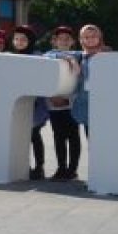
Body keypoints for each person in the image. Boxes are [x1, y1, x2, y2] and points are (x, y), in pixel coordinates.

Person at [10, 25, 50, 180]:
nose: (19, 42)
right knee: (19, 135)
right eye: (16, 39)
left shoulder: (38, 57)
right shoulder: (11, 56)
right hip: (16, 103)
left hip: (35, 103)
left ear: (30, 41)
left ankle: (39, 167)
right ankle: (21, 165)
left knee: (33, 134)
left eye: (23, 39)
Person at [43, 26, 82, 181]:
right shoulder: (47, 56)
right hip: (53, 104)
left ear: (73, 41)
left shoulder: (79, 55)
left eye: (67, 39)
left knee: (73, 137)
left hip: (72, 104)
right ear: (54, 41)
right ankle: (61, 168)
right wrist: (51, 96)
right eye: (60, 39)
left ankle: (72, 169)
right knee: (58, 137)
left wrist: (71, 58)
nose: (64, 41)